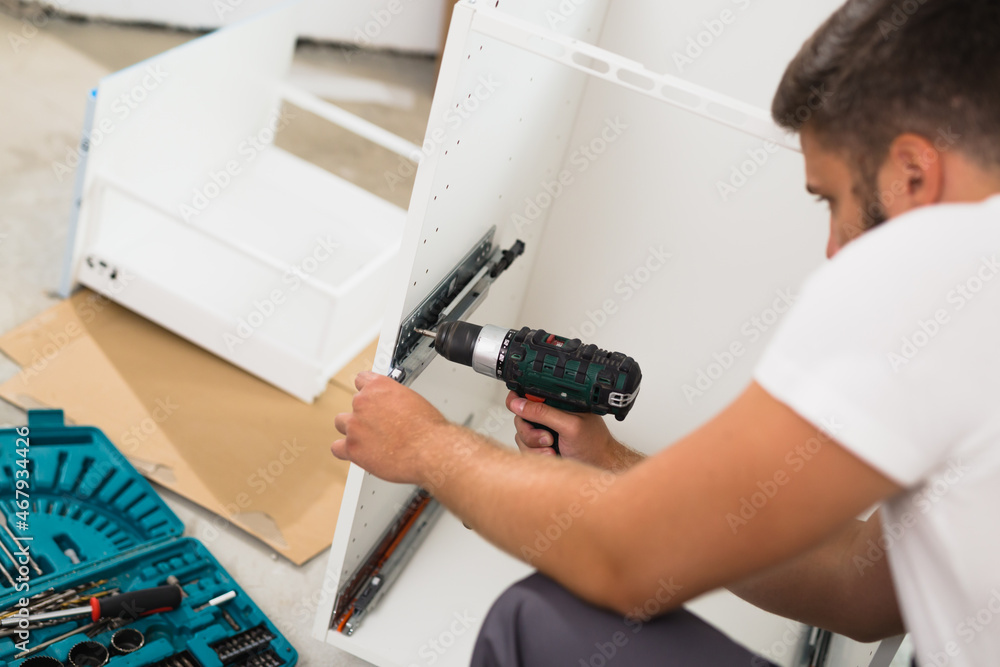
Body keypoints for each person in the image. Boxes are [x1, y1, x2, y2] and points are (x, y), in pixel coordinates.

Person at [332, 0, 1000, 664]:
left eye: (832, 200)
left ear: (912, 173)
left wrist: (428, 448)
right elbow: (861, 590)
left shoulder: (944, 276)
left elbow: (623, 560)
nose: (832, 248)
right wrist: (613, 465)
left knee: (533, 619)